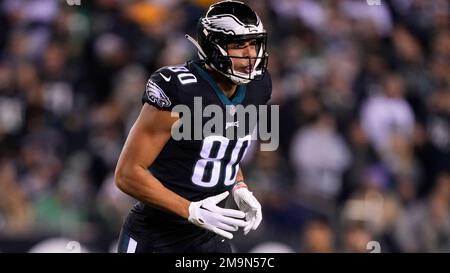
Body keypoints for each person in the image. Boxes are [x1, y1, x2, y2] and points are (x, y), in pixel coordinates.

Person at [115, 0, 272, 253]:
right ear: (214, 47)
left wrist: (239, 185)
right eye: (239, 45)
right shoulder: (179, 89)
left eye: (254, 43)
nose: (250, 55)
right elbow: (127, 174)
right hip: (156, 236)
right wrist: (191, 210)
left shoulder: (258, 87)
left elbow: (220, 149)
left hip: (209, 234)